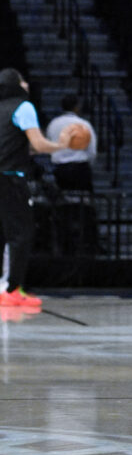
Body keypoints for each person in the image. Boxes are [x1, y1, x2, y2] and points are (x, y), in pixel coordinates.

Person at [0, 69, 72, 308]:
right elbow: (39, 144)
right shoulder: (24, 107)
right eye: (23, 80)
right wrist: (61, 144)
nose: (27, 84)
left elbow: (16, 144)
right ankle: (11, 289)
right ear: (17, 85)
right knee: (21, 234)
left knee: (4, 233)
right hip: (10, 177)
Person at [46, 94, 97, 192]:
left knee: (64, 202)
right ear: (77, 107)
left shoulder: (53, 124)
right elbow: (92, 150)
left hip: (61, 169)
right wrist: (89, 164)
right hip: (80, 168)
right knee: (83, 202)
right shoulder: (84, 124)